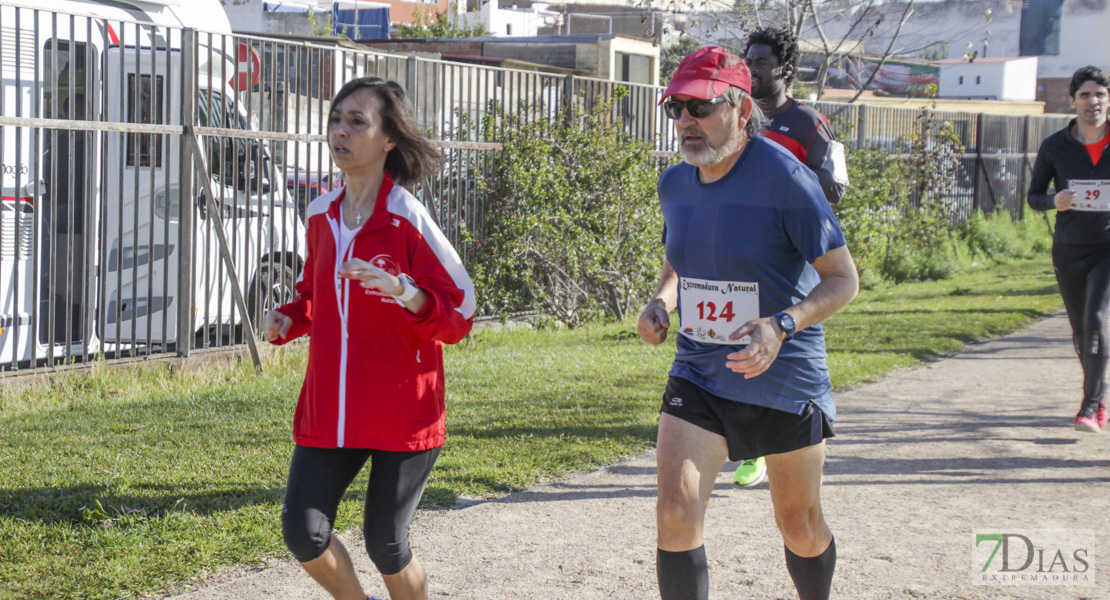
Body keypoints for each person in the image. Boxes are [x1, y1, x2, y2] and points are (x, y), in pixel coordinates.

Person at [638, 46, 858, 600]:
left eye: (700, 107)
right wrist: (662, 300)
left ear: (739, 109)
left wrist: (781, 324)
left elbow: (842, 280)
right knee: (674, 511)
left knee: (799, 525)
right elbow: (678, 256)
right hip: (701, 369)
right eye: (676, 109)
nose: (686, 121)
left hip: (782, 374)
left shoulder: (787, 178)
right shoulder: (675, 184)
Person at [263, 77, 476, 600]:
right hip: (331, 410)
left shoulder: (407, 218)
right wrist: (290, 318)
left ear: (388, 140)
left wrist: (406, 291)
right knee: (303, 532)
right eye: (336, 119)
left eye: (357, 121)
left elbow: (462, 312)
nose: (341, 130)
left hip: (404, 411)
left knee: (386, 544)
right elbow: (313, 295)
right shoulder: (319, 215)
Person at [733, 26, 851, 487]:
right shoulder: (736, 116)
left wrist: (784, 190)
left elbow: (836, 186)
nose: (752, 69)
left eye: (760, 62)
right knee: (738, 335)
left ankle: (780, 437)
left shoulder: (808, 123)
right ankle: (748, 441)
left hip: (792, 253)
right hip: (741, 248)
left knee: (780, 333)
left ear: (784, 69)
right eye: (748, 61)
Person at [1028, 66, 1110, 433]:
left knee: (1095, 319)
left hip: (1107, 246)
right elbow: (1033, 197)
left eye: (1100, 95)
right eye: (1086, 95)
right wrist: (1054, 200)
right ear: (1073, 101)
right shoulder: (1055, 146)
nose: (1093, 101)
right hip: (1069, 249)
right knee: (1081, 331)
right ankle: (1099, 395)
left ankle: (1089, 407)